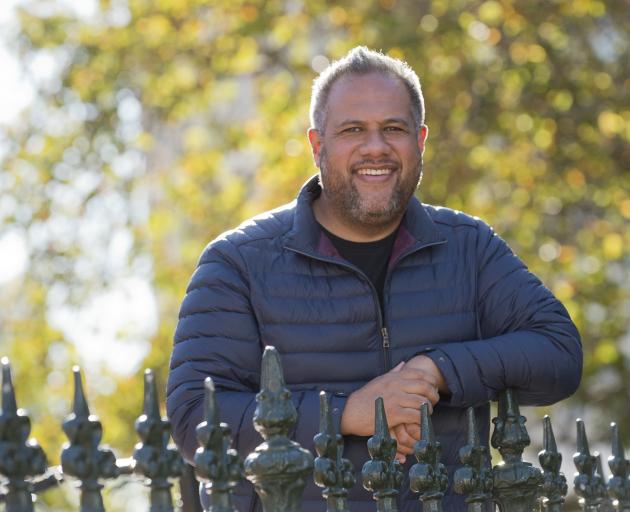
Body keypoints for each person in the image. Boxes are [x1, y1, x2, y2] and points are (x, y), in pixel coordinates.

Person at [166, 46, 582, 511]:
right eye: (352, 130)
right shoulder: (238, 262)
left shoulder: (470, 247)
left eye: (393, 129)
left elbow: (559, 352)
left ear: (420, 140)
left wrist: (438, 369)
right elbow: (192, 417)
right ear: (317, 145)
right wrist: (346, 414)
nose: (375, 147)